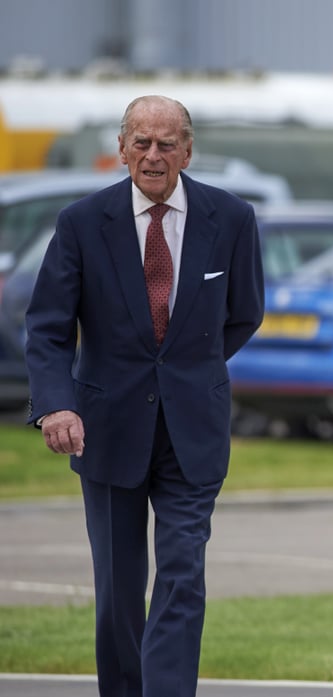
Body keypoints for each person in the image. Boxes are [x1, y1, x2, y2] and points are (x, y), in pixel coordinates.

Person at [24, 95, 264, 697]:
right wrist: (57, 403)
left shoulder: (230, 217)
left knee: (183, 577)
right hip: (106, 427)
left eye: (166, 144)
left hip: (193, 429)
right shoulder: (82, 222)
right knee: (120, 591)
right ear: (122, 149)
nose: (153, 156)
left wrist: (189, 373)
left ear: (188, 150)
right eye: (141, 142)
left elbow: (244, 315)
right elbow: (49, 325)